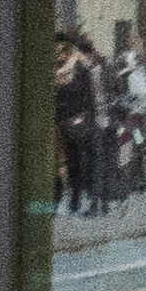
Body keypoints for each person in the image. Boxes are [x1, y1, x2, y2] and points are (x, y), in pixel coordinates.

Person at [53, 33, 101, 215]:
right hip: (64, 124)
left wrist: (83, 117)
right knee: (72, 164)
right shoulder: (58, 70)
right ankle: (75, 200)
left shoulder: (79, 68)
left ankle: (89, 200)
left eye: (61, 50)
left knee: (84, 162)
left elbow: (87, 97)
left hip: (81, 123)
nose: (58, 54)